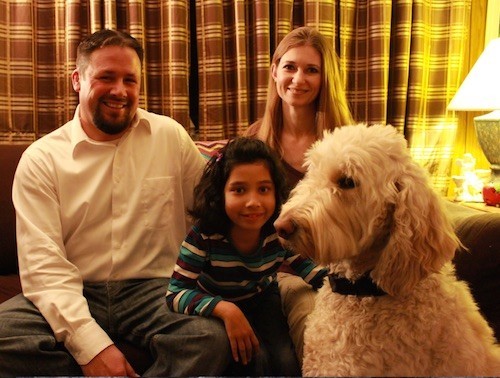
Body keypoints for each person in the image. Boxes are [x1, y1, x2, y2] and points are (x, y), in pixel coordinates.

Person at [0, 29, 230, 377]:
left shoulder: (170, 137)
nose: (120, 91)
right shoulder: (42, 158)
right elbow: (44, 267)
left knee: (209, 339)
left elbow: (210, 213)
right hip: (76, 288)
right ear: (77, 80)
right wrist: (91, 347)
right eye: (106, 77)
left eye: (130, 80)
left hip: (155, 290)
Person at [166, 137, 327, 376]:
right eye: (239, 190)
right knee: (254, 359)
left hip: (262, 298)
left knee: (285, 360)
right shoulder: (203, 236)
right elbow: (176, 293)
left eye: (263, 189)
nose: (253, 202)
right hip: (217, 301)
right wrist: (225, 309)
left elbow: (311, 271)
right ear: (220, 193)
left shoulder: (277, 231)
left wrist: (345, 290)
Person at [245, 26, 354, 364]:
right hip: (273, 270)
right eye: (290, 67)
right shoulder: (254, 141)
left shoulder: (345, 144)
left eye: (311, 70)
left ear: (325, 80)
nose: (298, 78)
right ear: (275, 70)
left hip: (334, 266)